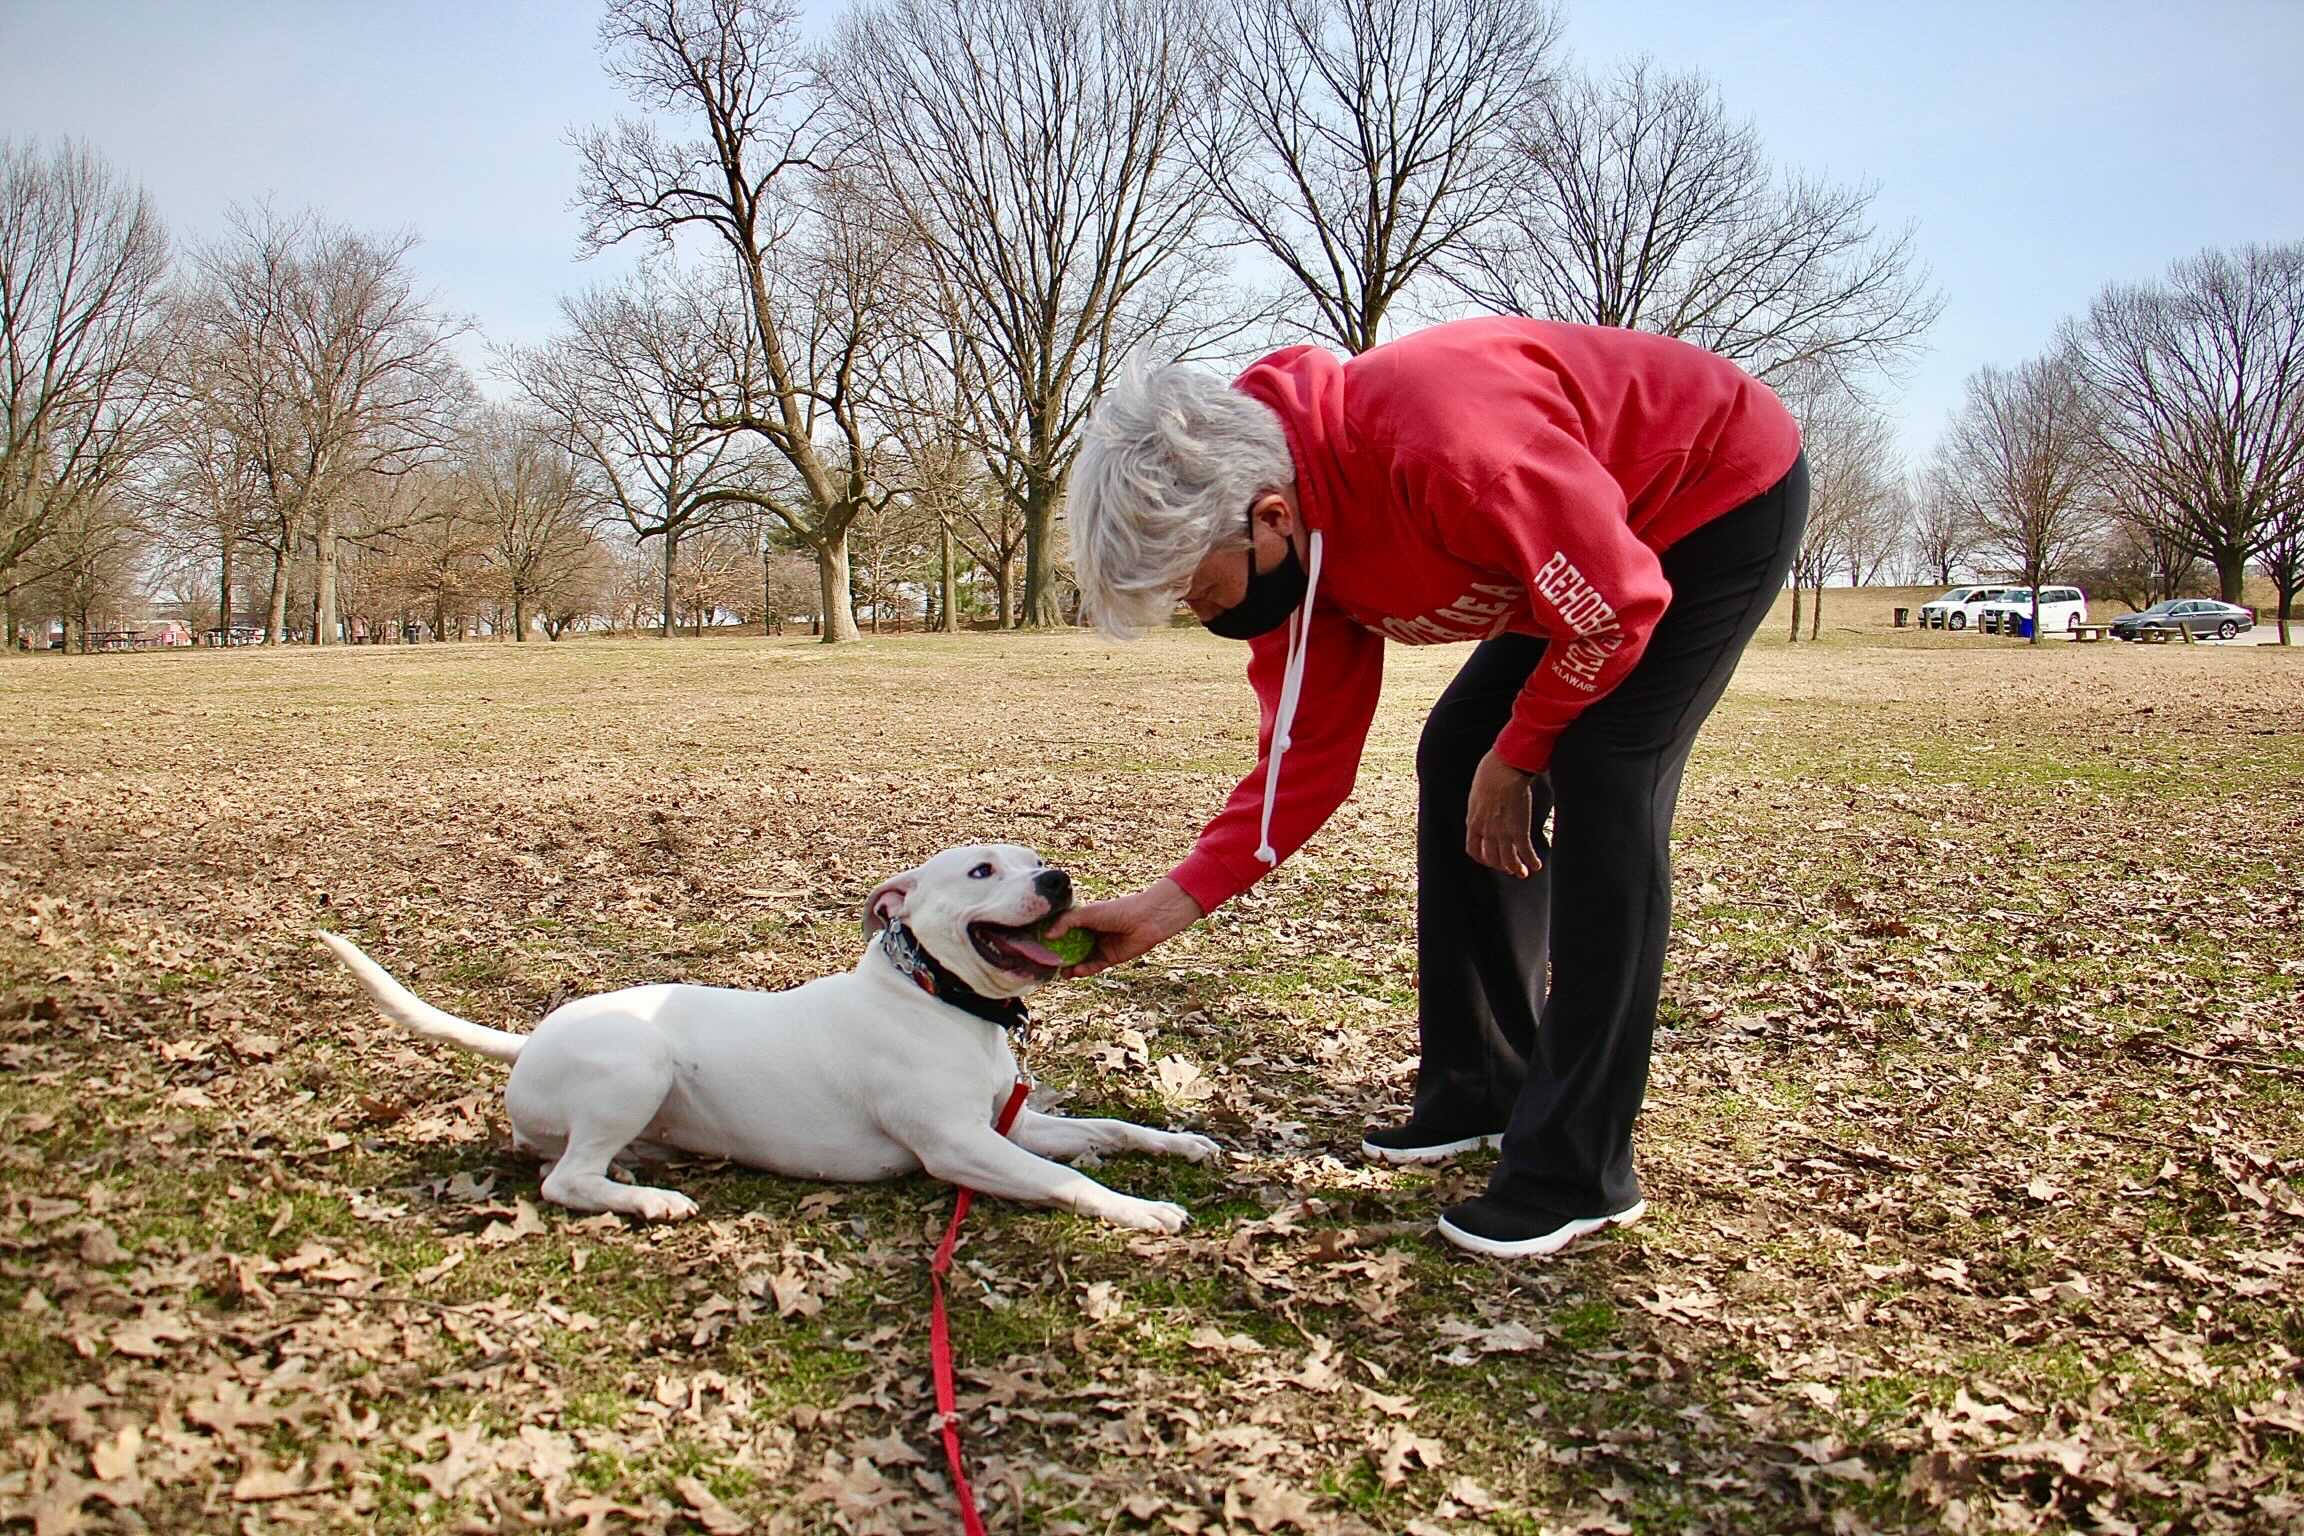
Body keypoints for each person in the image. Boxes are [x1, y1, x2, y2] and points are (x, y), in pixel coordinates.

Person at [1051, 316, 1807, 1259]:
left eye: (1202, 594)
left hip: (1708, 496)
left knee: (1608, 769)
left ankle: (1578, 1171)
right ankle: (1483, 1083)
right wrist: (1168, 905)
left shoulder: (1445, 447)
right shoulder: (1292, 554)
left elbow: (1613, 609)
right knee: (1456, 754)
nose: (1207, 616)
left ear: (1271, 516)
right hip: (1570, 546)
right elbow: (1306, 760)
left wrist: (1524, 751)